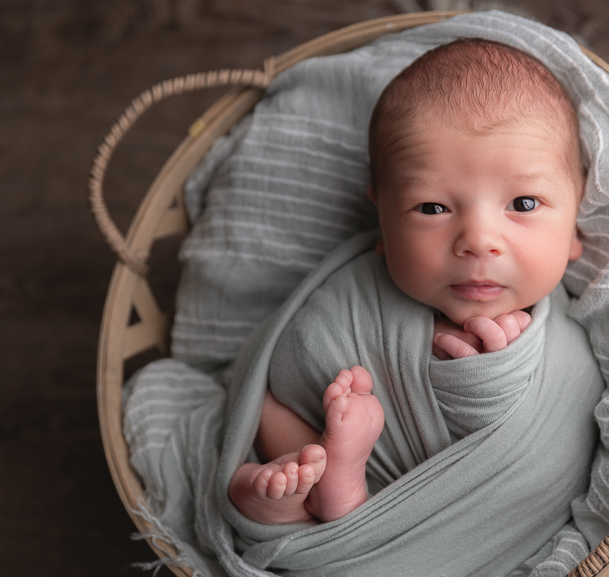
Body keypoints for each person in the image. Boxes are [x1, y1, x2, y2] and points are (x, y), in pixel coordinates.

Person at [228, 37, 587, 525]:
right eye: (432, 208)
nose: (478, 241)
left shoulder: (577, 330)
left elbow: (562, 442)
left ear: (574, 227)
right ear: (383, 222)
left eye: (523, 204)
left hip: (463, 514)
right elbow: (293, 362)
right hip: (330, 436)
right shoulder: (352, 298)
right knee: (267, 401)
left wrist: (490, 379)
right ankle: (304, 492)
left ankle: (342, 508)